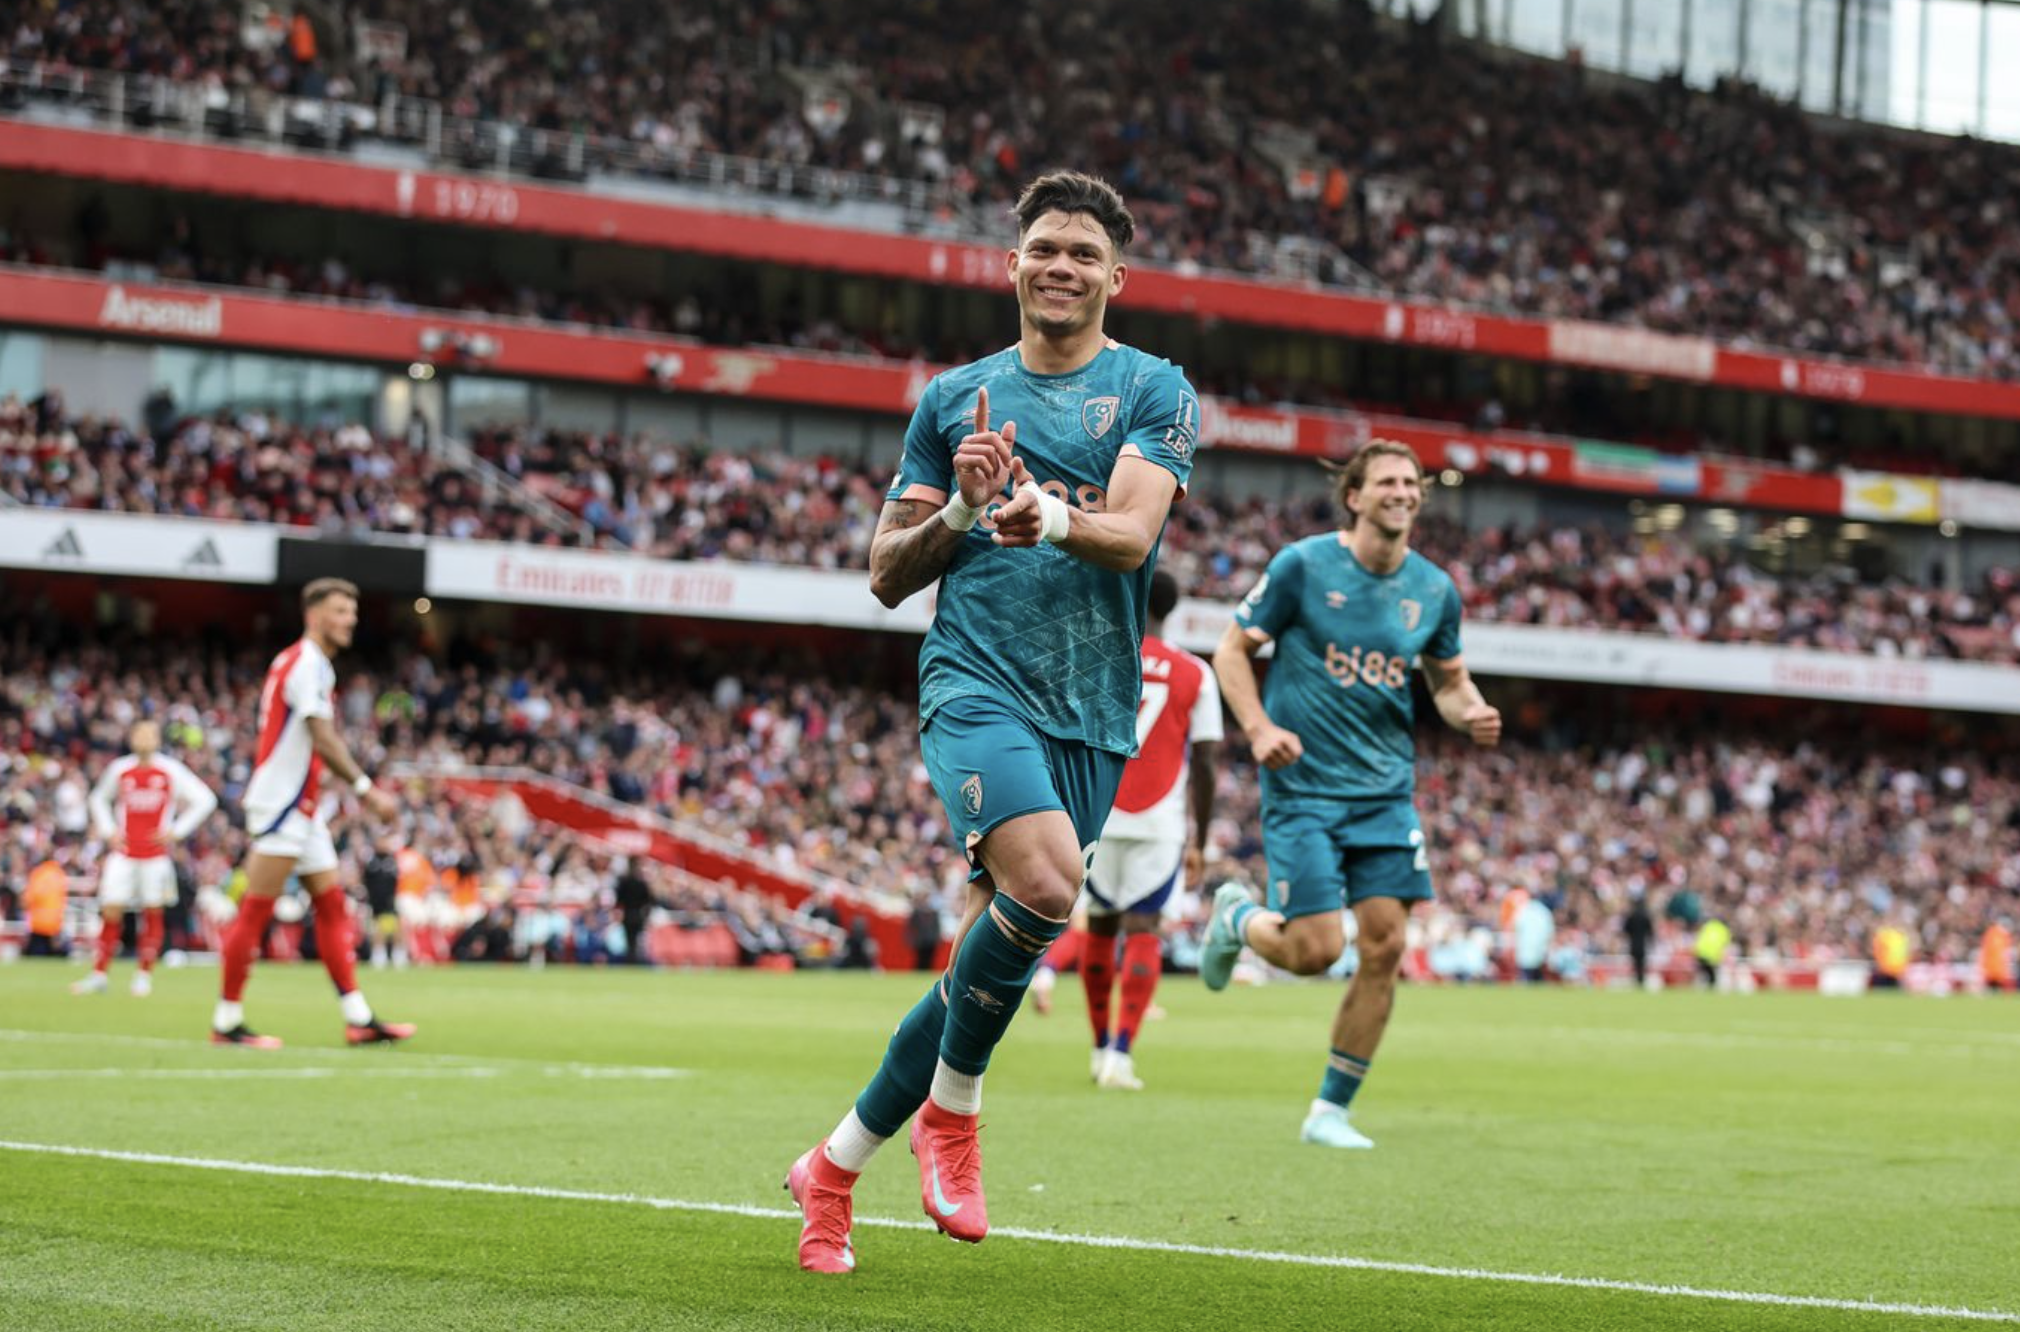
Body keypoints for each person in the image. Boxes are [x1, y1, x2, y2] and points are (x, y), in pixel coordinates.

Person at [785, 170, 1197, 1273]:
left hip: (1094, 707)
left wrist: (1048, 514)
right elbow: (886, 573)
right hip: (975, 682)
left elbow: (1131, 535)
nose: (1062, 267)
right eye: (1045, 248)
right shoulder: (952, 399)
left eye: (1084, 253)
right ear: (1012, 264)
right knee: (1051, 886)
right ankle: (954, 1115)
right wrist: (966, 506)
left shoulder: (1154, 388)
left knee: (979, 967)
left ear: (1116, 277)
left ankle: (831, 1169)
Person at [1200, 439, 1500, 1151]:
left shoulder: (1434, 589)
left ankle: (1330, 1110)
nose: (1404, 491)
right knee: (1314, 950)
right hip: (1304, 787)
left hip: (1385, 794)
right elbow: (1231, 650)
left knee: (1386, 945)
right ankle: (1237, 918)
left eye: (1413, 482)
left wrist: (1470, 710)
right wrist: (1259, 727)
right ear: (1356, 497)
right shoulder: (1303, 566)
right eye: (1388, 481)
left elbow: (1448, 682)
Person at [210, 578, 415, 1049]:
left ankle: (358, 1018)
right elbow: (321, 735)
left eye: (352, 612)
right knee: (256, 909)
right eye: (340, 611)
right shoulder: (307, 662)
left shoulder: (306, 662)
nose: (350, 620)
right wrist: (367, 791)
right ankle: (226, 1021)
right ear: (314, 614)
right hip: (282, 805)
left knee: (331, 905)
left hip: (302, 806)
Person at [1082, 568, 1222, 1091]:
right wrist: (1201, 840)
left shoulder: (1096, 656)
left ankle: (1099, 1047)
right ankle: (1121, 1055)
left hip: (1099, 810)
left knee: (1099, 928)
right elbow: (1206, 761)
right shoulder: (1195, 673)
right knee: (1144, 930)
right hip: (1158, 819)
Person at [73, 720, 218, 997]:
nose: (143, 738)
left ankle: (143, 975)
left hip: (156, 856)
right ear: (131, 738)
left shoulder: (170, 770)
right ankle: (99, 974)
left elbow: (205, 800)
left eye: (149, 733)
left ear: (157, 739)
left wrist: (177, 831)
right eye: (139, 733)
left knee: (152, 912)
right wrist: (109, 831)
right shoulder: (120, 769)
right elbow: (98, 799)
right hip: (124, 853)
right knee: (111, 909)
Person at [23, 849, 69, 957]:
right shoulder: (59, 874)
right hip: (54, 922)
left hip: (38, 922)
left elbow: (30, 897)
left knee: (37, 954)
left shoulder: (38, 873)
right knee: (51, 954)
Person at [1623, 888, 1655, 988]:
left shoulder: (1631, 916)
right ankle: (1641, 980)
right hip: (1643, 943)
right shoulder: (1646, 916)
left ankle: (1638, 980)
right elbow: (1650, 931)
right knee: (1642, 963)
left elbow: (1626, 929)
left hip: (1633, 942)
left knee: (1636, 962)